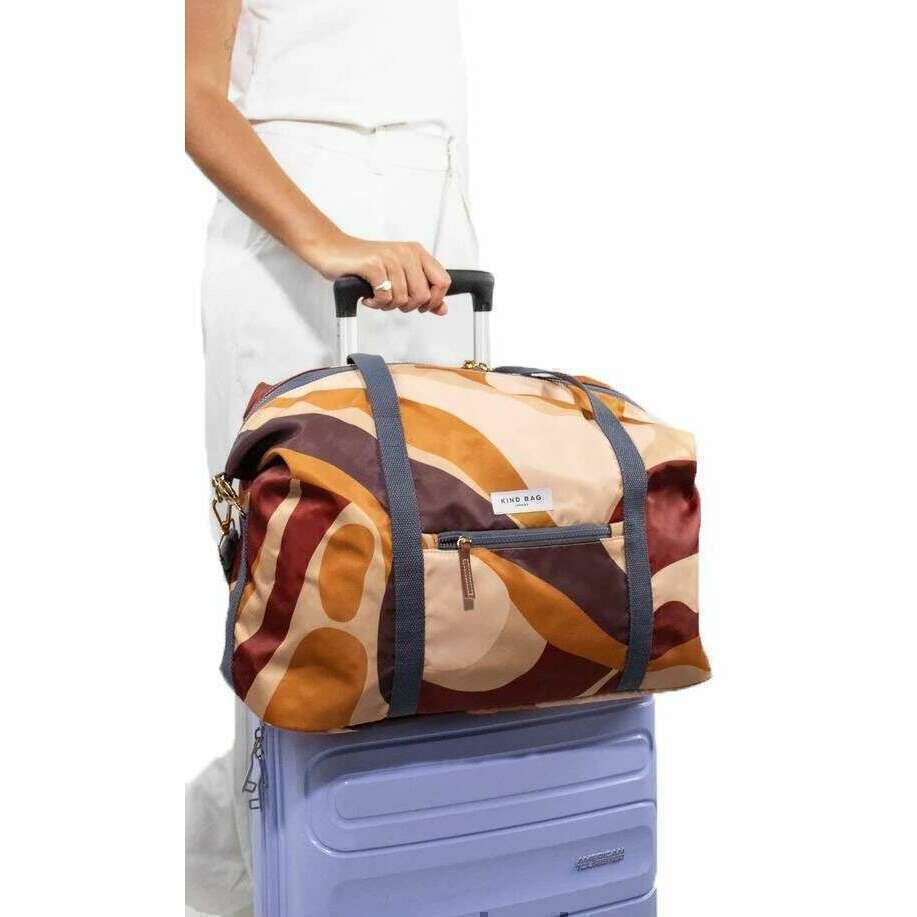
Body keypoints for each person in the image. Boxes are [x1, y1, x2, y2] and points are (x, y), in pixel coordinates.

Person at [184, 1, 478, 914]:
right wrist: (325, 240)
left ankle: (404, 864)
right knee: (294, 580)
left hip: (432, 235)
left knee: (444, 574)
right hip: (292, 231)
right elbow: (191, 95)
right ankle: (280, 877)